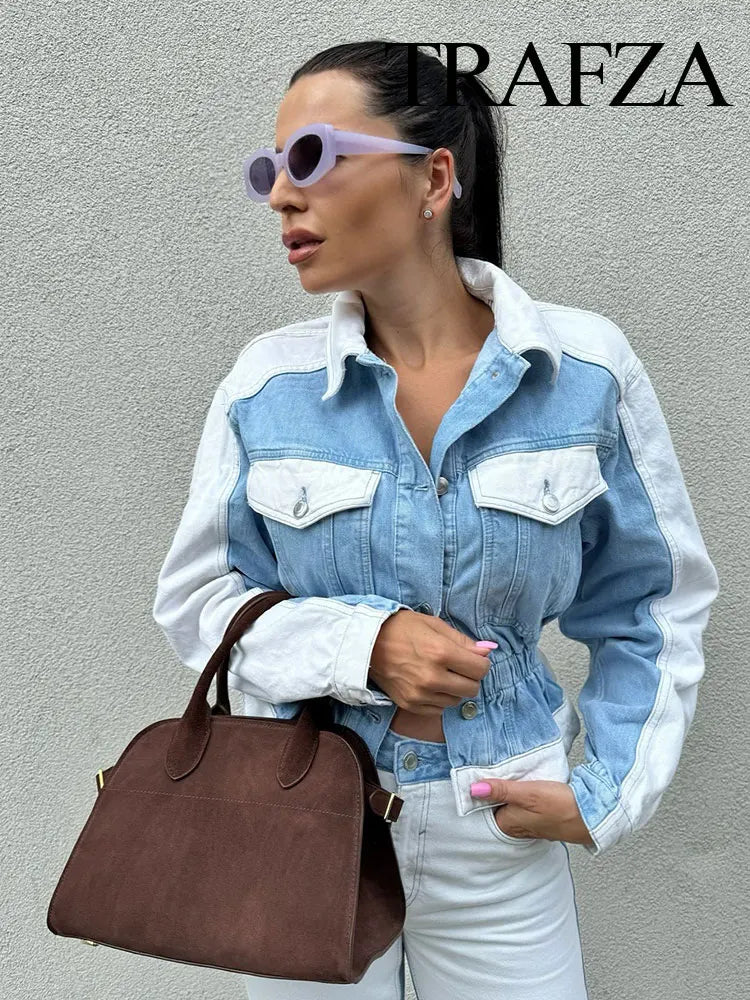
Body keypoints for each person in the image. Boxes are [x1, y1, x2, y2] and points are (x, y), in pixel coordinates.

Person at [152, 41, 720, 1000]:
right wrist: (363, 646)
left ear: (434, 179)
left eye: (312, 158)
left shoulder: (584, 372)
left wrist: (608, 791)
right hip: (304, 820)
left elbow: (654, 600)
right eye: (270, 169)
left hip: (500, 824)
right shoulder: (267, 384)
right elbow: (198, 601)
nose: (281, 196)